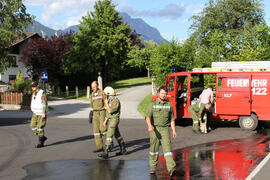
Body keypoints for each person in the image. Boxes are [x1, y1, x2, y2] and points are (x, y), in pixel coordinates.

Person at [145, 86, 177, 177]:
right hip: (154, 129)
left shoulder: (169, 105)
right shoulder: (152, 104)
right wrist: (150, 126)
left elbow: (172, 119)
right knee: (154, 150)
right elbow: (147, 117)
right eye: (162, 93)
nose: (164, 95)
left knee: (168, 150)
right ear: (158, 93)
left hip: (165, 129)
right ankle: (152, 167)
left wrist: (174, 130)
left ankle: (171, 168)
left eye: (165, 94)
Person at [99, 86, 127, 159]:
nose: (104, 96)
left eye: (105, 94)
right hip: (111, 120)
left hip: (114, 120)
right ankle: (123, 149)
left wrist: (106, 103)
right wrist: (105, 120)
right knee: (117, 134)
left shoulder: (115, 101)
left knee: (109, 134)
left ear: (108, 94)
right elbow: (108, 113)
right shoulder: (109, 101)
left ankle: (106, 152)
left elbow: (110, 111)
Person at [90, 81, 110, 153]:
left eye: (94, 87)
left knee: (103, 129)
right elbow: (91, 104)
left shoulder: (102, 93)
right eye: (92, 87)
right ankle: (100, 147)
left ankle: (109, 144)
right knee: (96, 131)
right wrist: (91, 113)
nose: (93, 89)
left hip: (102, 112)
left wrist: (107, 113)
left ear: (98, 86)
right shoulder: (92, 94)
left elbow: (106, 102)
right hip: (95, 113)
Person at [30, 81, 48, 148]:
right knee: (32, 126)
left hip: (41, 113)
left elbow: (44, 103)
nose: (32, 87)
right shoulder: (34, 93)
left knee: (40, 127)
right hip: (35, 113)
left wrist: (43, 112)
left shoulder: (41, 93)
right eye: (32, 86)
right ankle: (42, 136)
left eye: (34, 86)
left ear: (37, 86)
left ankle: (41, 143)